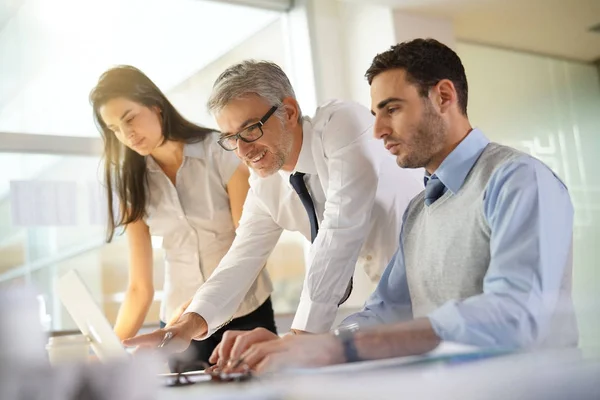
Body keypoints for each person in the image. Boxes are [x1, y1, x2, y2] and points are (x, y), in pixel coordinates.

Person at [196, 38, 579, 373]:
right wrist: (304, 344)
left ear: (444, 97)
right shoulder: (418, 211)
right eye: (376, 113)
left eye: (391, 109)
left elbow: (515, 313)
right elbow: (382, 313)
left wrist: (338, 345)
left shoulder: (517, 180)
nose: (378, 130)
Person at [123, 60, 424, 352]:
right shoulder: (267, 184)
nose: (241, 150)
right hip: (387, 303)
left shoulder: (342, 124)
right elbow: (241, 260)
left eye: (250, 129)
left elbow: (340, 229)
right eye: (230, 137)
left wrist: (300, 337)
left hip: (436, 278)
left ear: (289, 112)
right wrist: (185, 327)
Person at [89, 65, 276, 369]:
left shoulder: (223, 152)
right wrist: (107, 355)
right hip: (177, 326)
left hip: (244, 310)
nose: (127, 135)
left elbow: (251, 247)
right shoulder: (132, 185)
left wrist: (199, 310)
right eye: (115, 129)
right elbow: (140, 287)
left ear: (156, 106)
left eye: (130, 119)